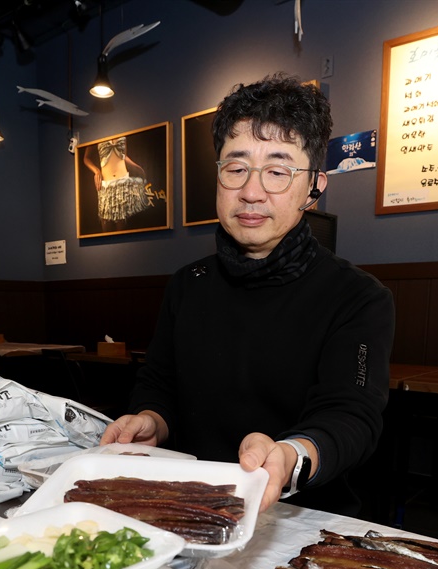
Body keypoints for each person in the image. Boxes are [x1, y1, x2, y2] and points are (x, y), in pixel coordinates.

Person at [100, 72, 394, 516]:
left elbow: (351, 416)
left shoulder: (357, 296)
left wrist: (291, 455)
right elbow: (158, 386)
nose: (251, 191)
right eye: (236, 168)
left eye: (278, 171)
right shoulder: (187, 284)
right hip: (190, 503)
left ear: (314, 187)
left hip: (304, 515)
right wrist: (149, 422)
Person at [83, 136, 151, 232]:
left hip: (123, 184)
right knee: (106, 229)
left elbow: (123, 156)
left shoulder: (123, 133)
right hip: (106, 186)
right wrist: (96, 171)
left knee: (122, 229)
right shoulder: (97, 135)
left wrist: (138, 168)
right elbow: (86, 158)